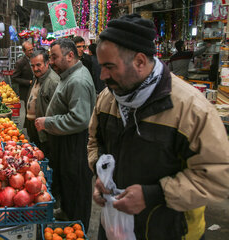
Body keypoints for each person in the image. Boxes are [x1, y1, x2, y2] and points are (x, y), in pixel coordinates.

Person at [87, 14, 229, 240]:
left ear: (140, 62)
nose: (102, 75)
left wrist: (154, 195)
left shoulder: (191, 109)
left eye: (109, 66)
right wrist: (100, 174)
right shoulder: (107, 99)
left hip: (171, 231)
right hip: (116, 227)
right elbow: (95, 142)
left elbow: (217, 176)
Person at [35, 38, 96, 230]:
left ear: (70, 56)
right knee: (69, 186)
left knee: (77, 188)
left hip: (75, 145)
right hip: (66, 143)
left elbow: (80, 119)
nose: (51, 61)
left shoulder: (78, 80)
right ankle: (68, 214)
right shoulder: (68, 75)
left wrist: (48, 122)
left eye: (54, 57)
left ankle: (77, 228)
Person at [25, 50, 60, 154]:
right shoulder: (37, 77)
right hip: (33, 127)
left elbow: (57, 110)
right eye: (33, 66)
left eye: (38, 65)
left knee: (44, 155)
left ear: (47, 63)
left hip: (44, 131)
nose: (35, 69)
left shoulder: (53, 81)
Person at [12, 41, 34, 107]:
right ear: (24, 51)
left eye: (32, 49)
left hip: (35, 89)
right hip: (26, 91)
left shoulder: (34, 59)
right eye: (29, 50)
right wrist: (28, 82)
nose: (31, 52)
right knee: (28, 109)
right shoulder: (20, 62)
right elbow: (14, 78)